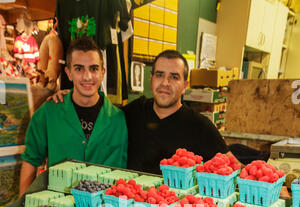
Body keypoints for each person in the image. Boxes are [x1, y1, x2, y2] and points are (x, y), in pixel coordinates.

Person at [48, 49, 233, 175]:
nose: (165, 83)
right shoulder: (135, 111)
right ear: (151, 79)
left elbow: (232, 167)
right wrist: (73, 97)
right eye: (160, 75)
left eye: (174, 77)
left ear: (185, 86)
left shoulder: (200, 127)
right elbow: (99, 111)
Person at [19, 35, 128, 197]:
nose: (87, 76)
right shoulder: (48, 113)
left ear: (102, 72)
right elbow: (30, 161)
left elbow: (118, 174)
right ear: (68, 73)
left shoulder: (117, 119)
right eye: (79, 69)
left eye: (93, 68)